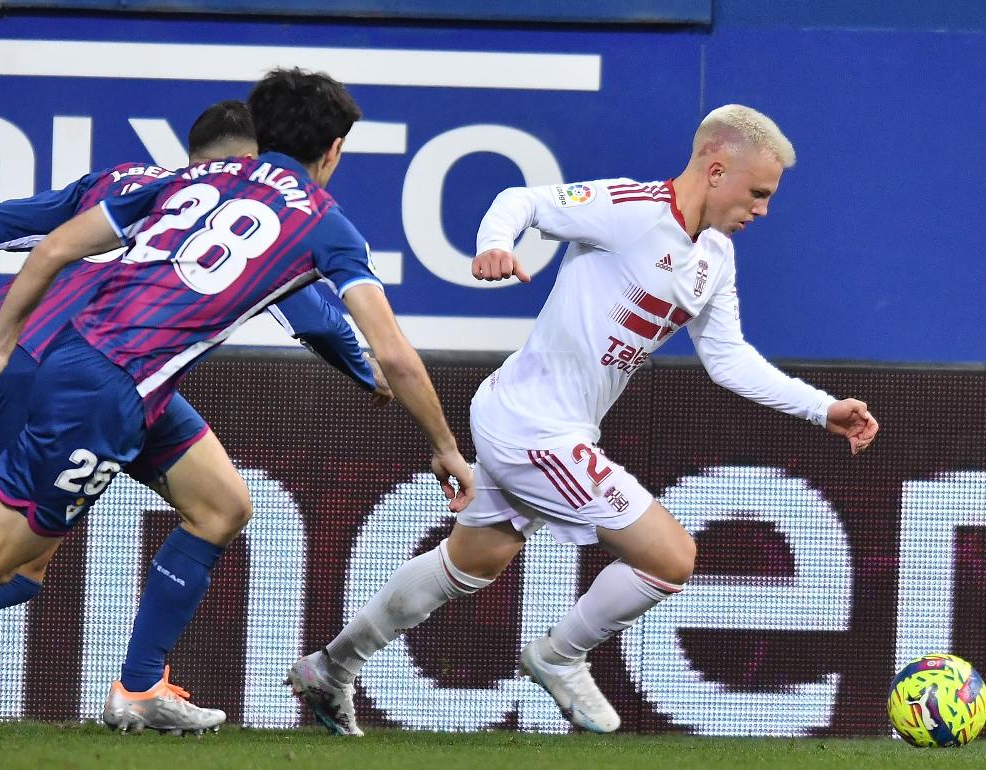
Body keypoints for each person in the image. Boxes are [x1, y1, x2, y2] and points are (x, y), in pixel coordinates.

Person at [288, 104, 880, 736]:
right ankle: (559, 655)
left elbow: (728, 359)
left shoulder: (716, 258)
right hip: (532, 429)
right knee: (672, 557)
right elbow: (523, 200)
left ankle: (331, 667)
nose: (762, 209)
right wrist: (494, 244)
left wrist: (822, 409)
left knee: (471, 563)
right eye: (757, 192)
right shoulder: (631, 210)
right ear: (715, 170)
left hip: (540, 423)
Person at [0, 70, 471, 732]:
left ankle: (139, 690)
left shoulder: (174, 182)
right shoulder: (318, 221)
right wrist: (441, 441)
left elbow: (40, 238)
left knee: (223, 505)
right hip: (103, 386)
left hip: (95, 373)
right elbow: (369, 342)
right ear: (334, 150)